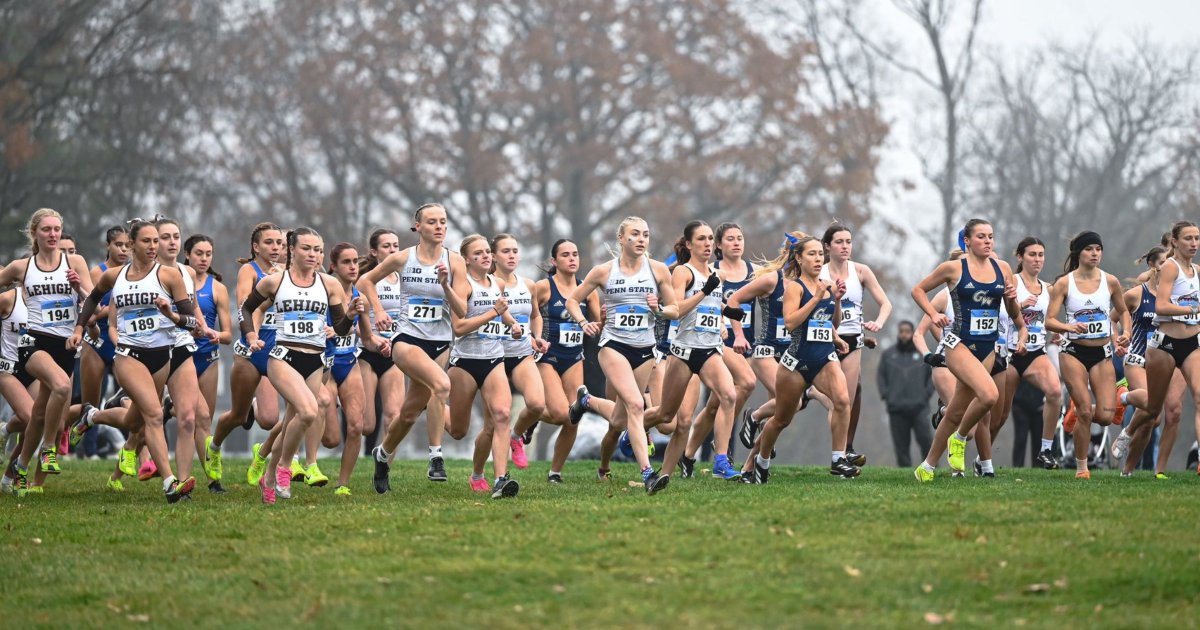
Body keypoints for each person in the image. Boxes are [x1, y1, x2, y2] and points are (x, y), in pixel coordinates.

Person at [71, 218, 217, 502]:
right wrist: (79, 328)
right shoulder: (115, 276)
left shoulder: (170, 276)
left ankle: (92, 415)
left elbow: (190, 322)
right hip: (129, 354)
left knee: (134, 420)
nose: (153, 246)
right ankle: (171, 484)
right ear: (132, 244)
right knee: (153, 414)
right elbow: (92, 301)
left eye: (156, 241)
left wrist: (171, 315)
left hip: (162, 356)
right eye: (147, 241)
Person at [239, 227, 357, 504]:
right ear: (292, 249)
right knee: (308, 411)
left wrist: (350, 315)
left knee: (292, 421)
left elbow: (340, 329)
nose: (313, 254)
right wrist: (251, 335)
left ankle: (267, 477)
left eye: (317, 249)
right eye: (307, 248)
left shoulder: (329, 284)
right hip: (283, 357)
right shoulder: (275, 282)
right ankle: (284, 467)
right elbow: (246, 308)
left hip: (315, 361)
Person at [565, 216, 680, 494]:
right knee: (636, 406)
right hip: (613, 346)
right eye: (635, 234)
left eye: (646, 235)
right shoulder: (604, 271)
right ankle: (648, 474)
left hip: (645, 350)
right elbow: (572, 299)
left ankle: (587, 401)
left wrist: (658, 310)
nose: (641, 239)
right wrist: (583, 322)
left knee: (619, 419)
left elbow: (675, 309)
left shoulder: (658, 271)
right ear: (621, 238)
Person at [364, 203, 469, 490]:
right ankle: (436, 456)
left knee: (409, 413)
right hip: (407, 339)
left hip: (439, 343)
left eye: (443, 222)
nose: (439, 227)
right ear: (418, 227)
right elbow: (365, 281)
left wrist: (446, 286)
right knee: (442, 385)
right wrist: (380, 311)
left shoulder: (455, 261)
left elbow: (461, 311)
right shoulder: (403, 258)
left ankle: (382, 455)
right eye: (432, 222)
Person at [912, 219, 1026, 482]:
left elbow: (1013, 312)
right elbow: (917, 290)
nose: (988, 242)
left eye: (991, 237)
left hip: (987, 347)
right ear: (967, 241)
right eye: (982, 237)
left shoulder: (1003, 268)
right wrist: (933, 314)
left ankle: (926, 468)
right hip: (959, 345)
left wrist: (1011, 298)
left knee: (953, 412)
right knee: (989, 395)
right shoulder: (953, 268)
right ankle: (960, 439)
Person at [748, 233, 857, 483]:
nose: (818, 259)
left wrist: (836, 302)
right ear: (798, 257)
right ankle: (761, 460)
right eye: (812, 254)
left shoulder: (828, 284)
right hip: (795, 362)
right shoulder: (794, 287)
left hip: (824, 358)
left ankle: (838, 458)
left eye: (821, 254)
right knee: (781, 419)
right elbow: (790, 323)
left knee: (842, 400)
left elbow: (832, 322)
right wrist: (817, 297)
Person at [0, 209, 93, 496]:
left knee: (39, 414)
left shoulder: (75, 261)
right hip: (35, 342)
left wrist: (78, 287)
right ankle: (49, 449)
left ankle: (19, 469)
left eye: (56, 229)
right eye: (46, 230)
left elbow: (92, 303)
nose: (53, 234)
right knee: (62, 387)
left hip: (66, 345)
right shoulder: (22, 267)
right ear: (35, 234)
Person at [1112, 222, 1200, 476]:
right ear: (1175, 241)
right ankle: (1127, 432)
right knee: (1152, 409)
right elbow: (1161, 307)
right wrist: (1191, 310)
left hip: (1192, 343)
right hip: (1164, 345)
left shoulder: (1196, 270)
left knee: (1197, 398)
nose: (1194, 243)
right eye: (1188, 239)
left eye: (1197, 238)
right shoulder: (1170, 268)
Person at [1046, 231, 1130, 479]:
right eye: (1089, 249)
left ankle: (1075, 412)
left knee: (1104, 417)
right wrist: (1069, 327)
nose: (1095, 254)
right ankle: (1082, 468)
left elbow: (1124, 311)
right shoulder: (1065, 283)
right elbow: (1049, 321)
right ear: (1078, 253)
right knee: (1085, 411)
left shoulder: (1110, 281)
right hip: (1073, 352)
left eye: (1098, 249)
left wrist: (1126, 333)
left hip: (1102, 353)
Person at [818, 224, 892, 465]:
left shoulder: (860, 271)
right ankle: (840, 452)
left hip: (852, 342)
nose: (845, 246)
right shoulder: (819, 273)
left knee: (845, 400)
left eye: (848, 241)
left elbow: (886, 304)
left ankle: (841, 452)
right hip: (825, 339)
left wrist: (877, 323)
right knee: (837, 401)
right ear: (827, 246)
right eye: (839, 242)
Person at [876, 320, 934, 467]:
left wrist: (925, 395)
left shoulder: (923, 354)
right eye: (901, 331)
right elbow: (881, 376)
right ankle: (905, 473)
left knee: (926, 441)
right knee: (901, 446)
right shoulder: (888, 355)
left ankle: (930, 467)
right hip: (896, 409)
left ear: (912, 333)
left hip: (919, 407)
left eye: (907, 332)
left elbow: (932, 376)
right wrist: (887, 396)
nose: (904, 335)